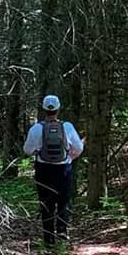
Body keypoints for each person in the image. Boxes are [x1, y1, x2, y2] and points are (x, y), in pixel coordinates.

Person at [23, 95, 84, 246]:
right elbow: (79, 148)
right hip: (64, 169)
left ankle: (49, 238)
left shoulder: (37, 128)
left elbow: (27, 150)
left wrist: (37, 151)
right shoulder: (67, 127)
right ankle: (62, 231)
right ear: (58, 108)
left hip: (43, 169)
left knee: (46, 203)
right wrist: (70, 157)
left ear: (44, 109)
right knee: (63, 200)